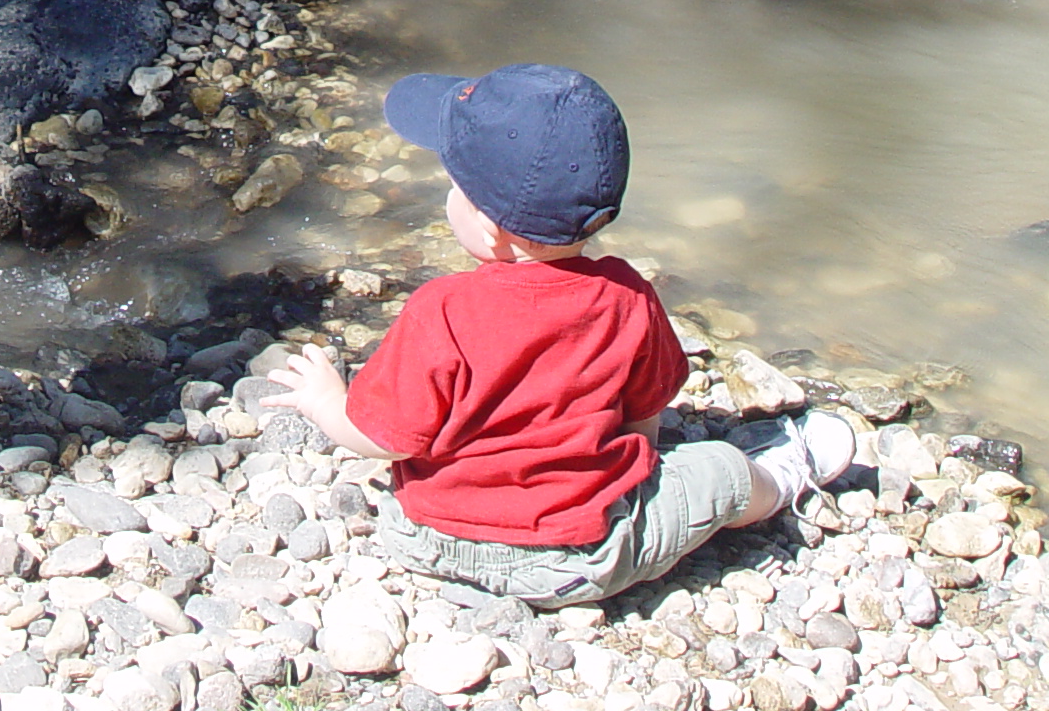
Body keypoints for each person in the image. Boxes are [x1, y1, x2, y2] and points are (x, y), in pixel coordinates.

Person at [267, 62, 854, 605]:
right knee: (719, 472)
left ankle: (781, 475)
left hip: (427, 539)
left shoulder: (441, 308)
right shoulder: (627, 297)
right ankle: (780, 477)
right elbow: (642, 416)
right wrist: (631, 467)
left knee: (703, 471)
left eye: (453, 186)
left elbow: (389, 438)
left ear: (491, 229)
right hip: (580, 557)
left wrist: (327, 404)